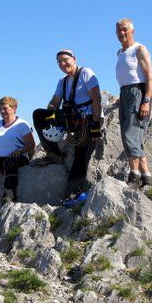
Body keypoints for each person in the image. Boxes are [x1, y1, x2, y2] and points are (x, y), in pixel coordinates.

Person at [32, 50, 102, 197]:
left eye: (65, 60)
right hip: (71, 117)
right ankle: (54, 153)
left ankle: (73, 193)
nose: (63, 64)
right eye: (59, 62)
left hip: (87, 117)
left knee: (81, 154)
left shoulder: (86, 73)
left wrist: (95, 126)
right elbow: (55, 101)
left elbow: (96, 98)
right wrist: (51, 112)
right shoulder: (62, 81)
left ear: (74, 59)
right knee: (39, 115)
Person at [115, 18, 152, 187]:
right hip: (124, 92)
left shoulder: (139, 49)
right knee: (132, 135)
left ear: (132, 31)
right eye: (118, 30)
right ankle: (147, 177)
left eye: (124, 29)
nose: (121, 33)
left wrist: (145, 100)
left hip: (137, 92)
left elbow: (150, 77)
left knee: (130, 133)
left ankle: (134, 176)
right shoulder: (120, 53)